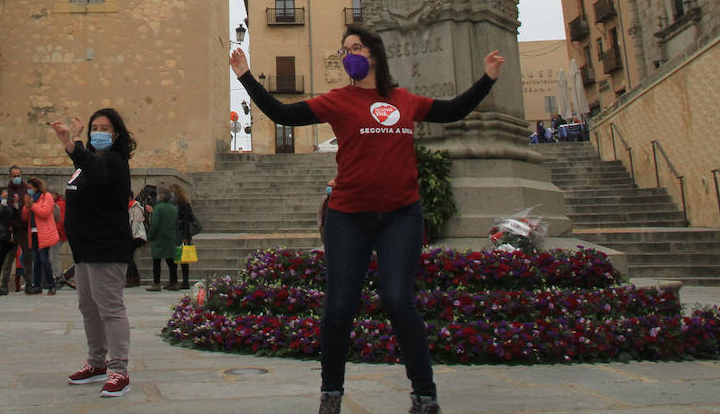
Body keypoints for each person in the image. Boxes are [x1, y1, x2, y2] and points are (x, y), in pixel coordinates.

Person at [231, 22, 503, 414]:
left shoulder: (404, 100)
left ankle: (425, 396)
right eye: (344, 52)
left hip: (401, 215)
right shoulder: (337, 100)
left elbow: (452, 111)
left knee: (398, 300)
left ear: (373, 54)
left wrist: (487, 79)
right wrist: (245, 77)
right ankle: (331, 395)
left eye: (354, 48)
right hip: (348, 216)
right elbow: (282, 114)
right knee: (340, 305)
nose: (349, 56)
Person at [50, 108, 137, 399]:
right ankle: (96, 362)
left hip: (107, 247)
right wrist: (75, 145)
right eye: (94, 127)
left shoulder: (115, 162)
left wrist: (72, 146)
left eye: (105, 127)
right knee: (88, 308)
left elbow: (98, 176)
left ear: (116, 133)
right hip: (84, 249)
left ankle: (119, 371)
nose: (99, 132)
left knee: (110, 308)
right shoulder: (87, 162)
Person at [22, 176, 59, 295]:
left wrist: (32, 205)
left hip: (44, 233)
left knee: (44, 259)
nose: (29, 190)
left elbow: (44, 213)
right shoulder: (31, 198)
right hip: (33, 233)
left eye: (30, 188)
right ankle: (37, 285)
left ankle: (51, 284)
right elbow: (24, 217)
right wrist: (26, 207)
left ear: (36, 187)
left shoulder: (46, 196)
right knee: (36, 261)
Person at [5, 164, 33, 289]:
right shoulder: (7, 190)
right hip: (12, 228)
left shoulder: (26, 189)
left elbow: (29, 205)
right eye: (14, 176)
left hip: (23, 227)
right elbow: (6, 207)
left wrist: (19, 205)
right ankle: (4, 284)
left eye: (18, 176)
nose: (17, 178)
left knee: (27, 257)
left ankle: (29, 283)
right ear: (10, 177)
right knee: (9, 258)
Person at [146, 186, 179, 291]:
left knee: (156, 262)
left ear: (161, 196)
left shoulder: (158, 208)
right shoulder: (174, 208)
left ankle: (156, 283)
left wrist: (150, 235)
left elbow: (155, 224)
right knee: (171, 262)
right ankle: (174, 282)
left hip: (159, 239)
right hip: (170, 238)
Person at [170, 182, 199, 290]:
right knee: (175, 259)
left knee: (183, 259)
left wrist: (186, 236)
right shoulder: (175, 204)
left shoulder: (184, 204)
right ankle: (174, 281)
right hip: (176, 233)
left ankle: (184, 282)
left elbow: (187, 221)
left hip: (182, 233)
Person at [125, 192, 146, 287]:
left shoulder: (136, 207)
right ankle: (135, 278)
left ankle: (132, 278)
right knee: (128, 257)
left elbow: (136, 224)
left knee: (128, 257)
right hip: (131, 236)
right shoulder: (128, 208)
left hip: (137, 236)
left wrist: (130, 237)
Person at [318, 177, 336, 243]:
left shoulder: (337, 199)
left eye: (330, 186)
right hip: (324, 226)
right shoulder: (324, 199)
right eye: (328, 186)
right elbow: (320, 212)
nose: (328, 188)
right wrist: (320, 224)